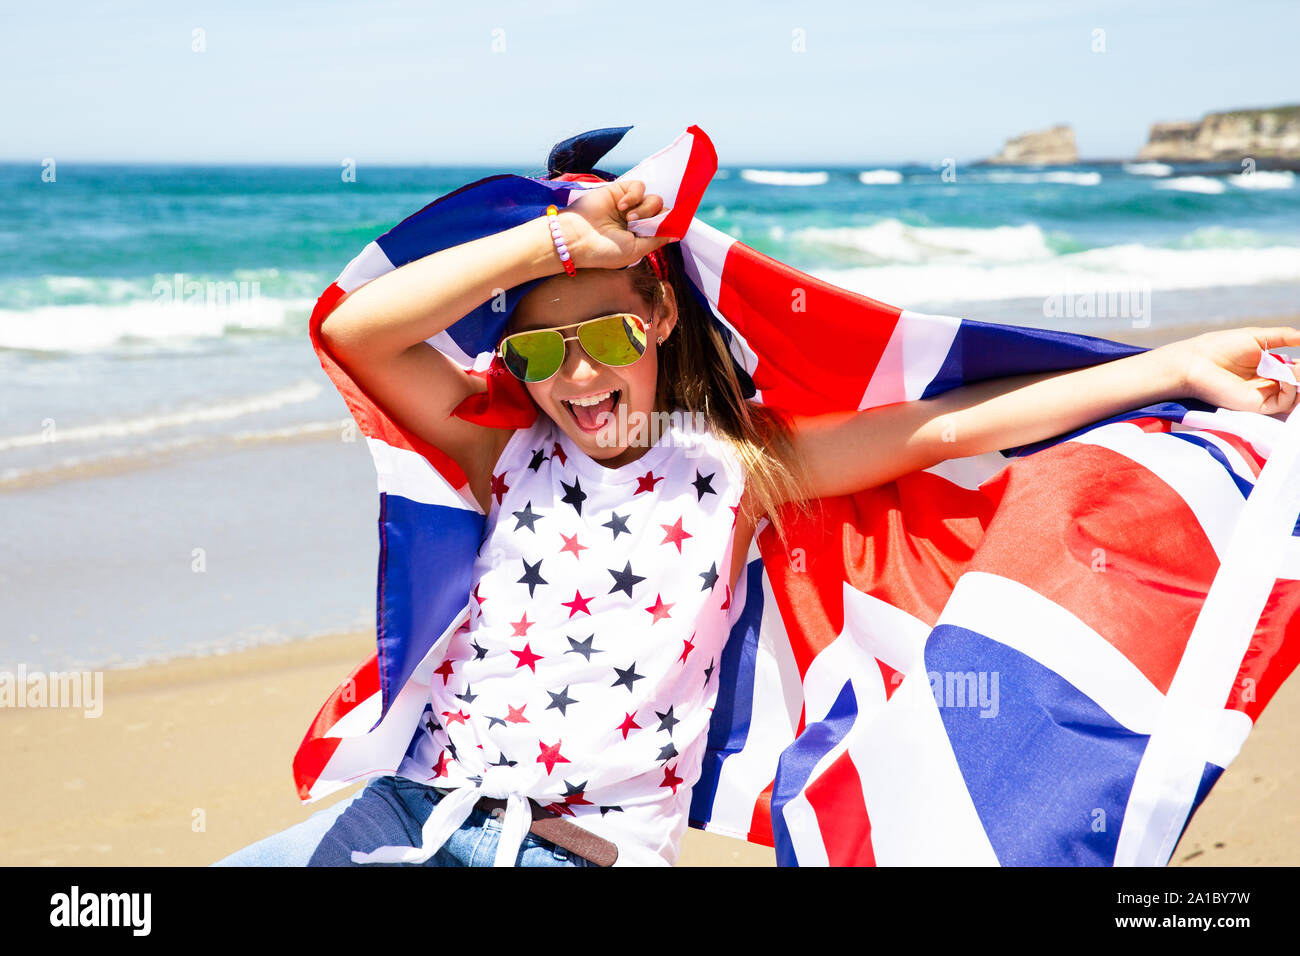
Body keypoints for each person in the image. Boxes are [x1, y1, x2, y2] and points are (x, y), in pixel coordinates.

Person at [214, 176, 1299, 867]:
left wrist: (1172, 364)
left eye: (601, 334)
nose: (576, 374)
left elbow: (934, 428)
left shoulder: (734, 471)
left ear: (660, 315)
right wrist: (554, 242)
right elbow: (357, 332)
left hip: (573, 852)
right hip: (409, 813)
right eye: (539, 353)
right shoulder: (502, 455)